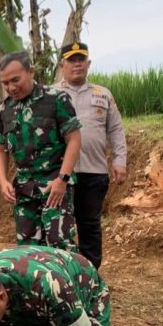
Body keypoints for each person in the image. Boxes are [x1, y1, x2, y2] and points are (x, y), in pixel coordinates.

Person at [0, 51, 82, 251]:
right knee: (27, 250)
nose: (11, 87)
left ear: (30, 72)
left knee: (60, 247)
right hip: (24, 190)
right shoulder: (3, 110)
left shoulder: (56, 99)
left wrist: (62, 179)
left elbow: (74, 139)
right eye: (5, 83)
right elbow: (0, 148)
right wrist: (2, 180)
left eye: (15, 80)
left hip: (54, 187)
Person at [54, 42, 127, 268]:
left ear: (88, 63)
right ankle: (63, 274)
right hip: (60, 175)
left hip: (93, 172)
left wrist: (120, 160)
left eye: (81, 59)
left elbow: (115, 129)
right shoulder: (51, 94)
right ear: (62, 65)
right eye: (71, 60)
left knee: (90, 226)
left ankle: (91, 274)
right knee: (60, 227)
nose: (77, 64)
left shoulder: (102, 94)